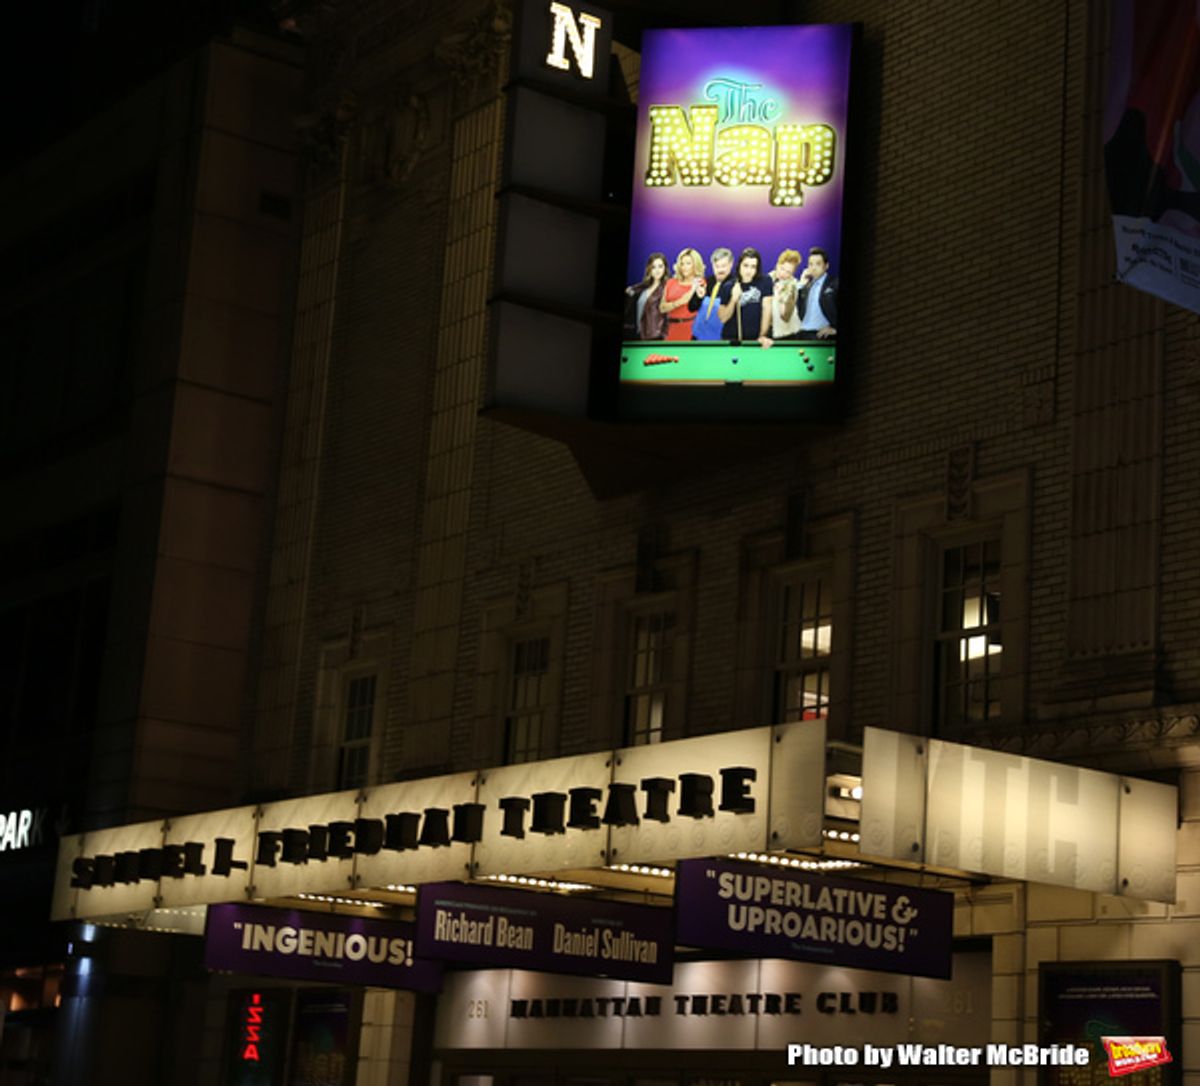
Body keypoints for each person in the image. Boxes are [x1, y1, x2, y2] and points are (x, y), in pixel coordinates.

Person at [717, 247, 774, 346]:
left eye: (753, 267)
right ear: (739, 266)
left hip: (756, 340)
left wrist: (762, 335)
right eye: (746, 266)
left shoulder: (765, 282)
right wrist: (734, 298)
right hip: (732, 340)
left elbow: (767, 310)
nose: (749, 271)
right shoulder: (728, 286)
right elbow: (723, 318)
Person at [659, 248, 706, 341]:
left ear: (695, 265)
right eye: (682, 263)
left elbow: (695, 304)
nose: (684, 267)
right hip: (671, 329)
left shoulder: (700, 283)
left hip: (690, 329)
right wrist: (679, 302)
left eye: (688, 263)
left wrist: (672, 304)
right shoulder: (671, 282)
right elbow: (662, 308)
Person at [691, 247, 734, 341]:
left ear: (731, 264)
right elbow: (691, 308)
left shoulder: (736, 285)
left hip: (723, 340)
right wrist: (698, 297)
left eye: (724, 266)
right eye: (717, 266)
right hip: (698, 337)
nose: (720, 270)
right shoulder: (706, 282)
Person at [623, 252, 668, 340]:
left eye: (660, 266)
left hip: (655, 336)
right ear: (649, 269)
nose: (657, 270)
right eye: (653, 267)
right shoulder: (641, 288)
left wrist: (663, 336)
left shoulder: (667, 288)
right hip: (638, 334)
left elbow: (668, 317)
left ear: (665, 268)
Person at [796, 247, 837, 338]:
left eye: (818, 264)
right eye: (810, 264)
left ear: (826, 266)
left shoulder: (835, 284)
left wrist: (836, 329)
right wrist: (800, 285)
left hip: (820, 335)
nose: (813, 268)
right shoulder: (805, 286)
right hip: (801, 334)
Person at [769, 248, 803, 339]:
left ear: (792, 273)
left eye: (788, 272)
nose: (783, 274)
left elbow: (785, 317)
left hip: (790, 334)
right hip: (773, 333)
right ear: (777, 265)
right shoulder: (768, 279)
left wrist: (782, 296)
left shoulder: (793, 286)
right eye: (782, 268)